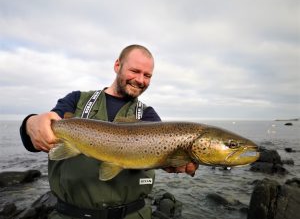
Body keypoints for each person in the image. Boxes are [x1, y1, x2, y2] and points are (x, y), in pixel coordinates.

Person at [19, 44, 198, 219]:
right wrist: (30, 122)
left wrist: (173, 163)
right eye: (135, 71)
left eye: (147, 75)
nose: (141, 80)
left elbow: (158, 160)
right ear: (117, 65)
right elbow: (37, 137)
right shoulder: (76, 100)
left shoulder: (148, 116)